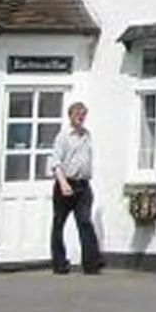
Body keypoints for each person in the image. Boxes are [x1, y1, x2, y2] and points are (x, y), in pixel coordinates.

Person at [50, 100, 103, 274]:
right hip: (66, 183)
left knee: (85, 222)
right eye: (77, 114)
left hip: (83, 185)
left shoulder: (87, 135)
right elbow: (56, 162)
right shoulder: (63, 137)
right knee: (59, 223)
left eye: (83, 114)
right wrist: (63, 183)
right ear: (70, 116)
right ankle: (59, 263)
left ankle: (92, 263)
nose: (81, 117)